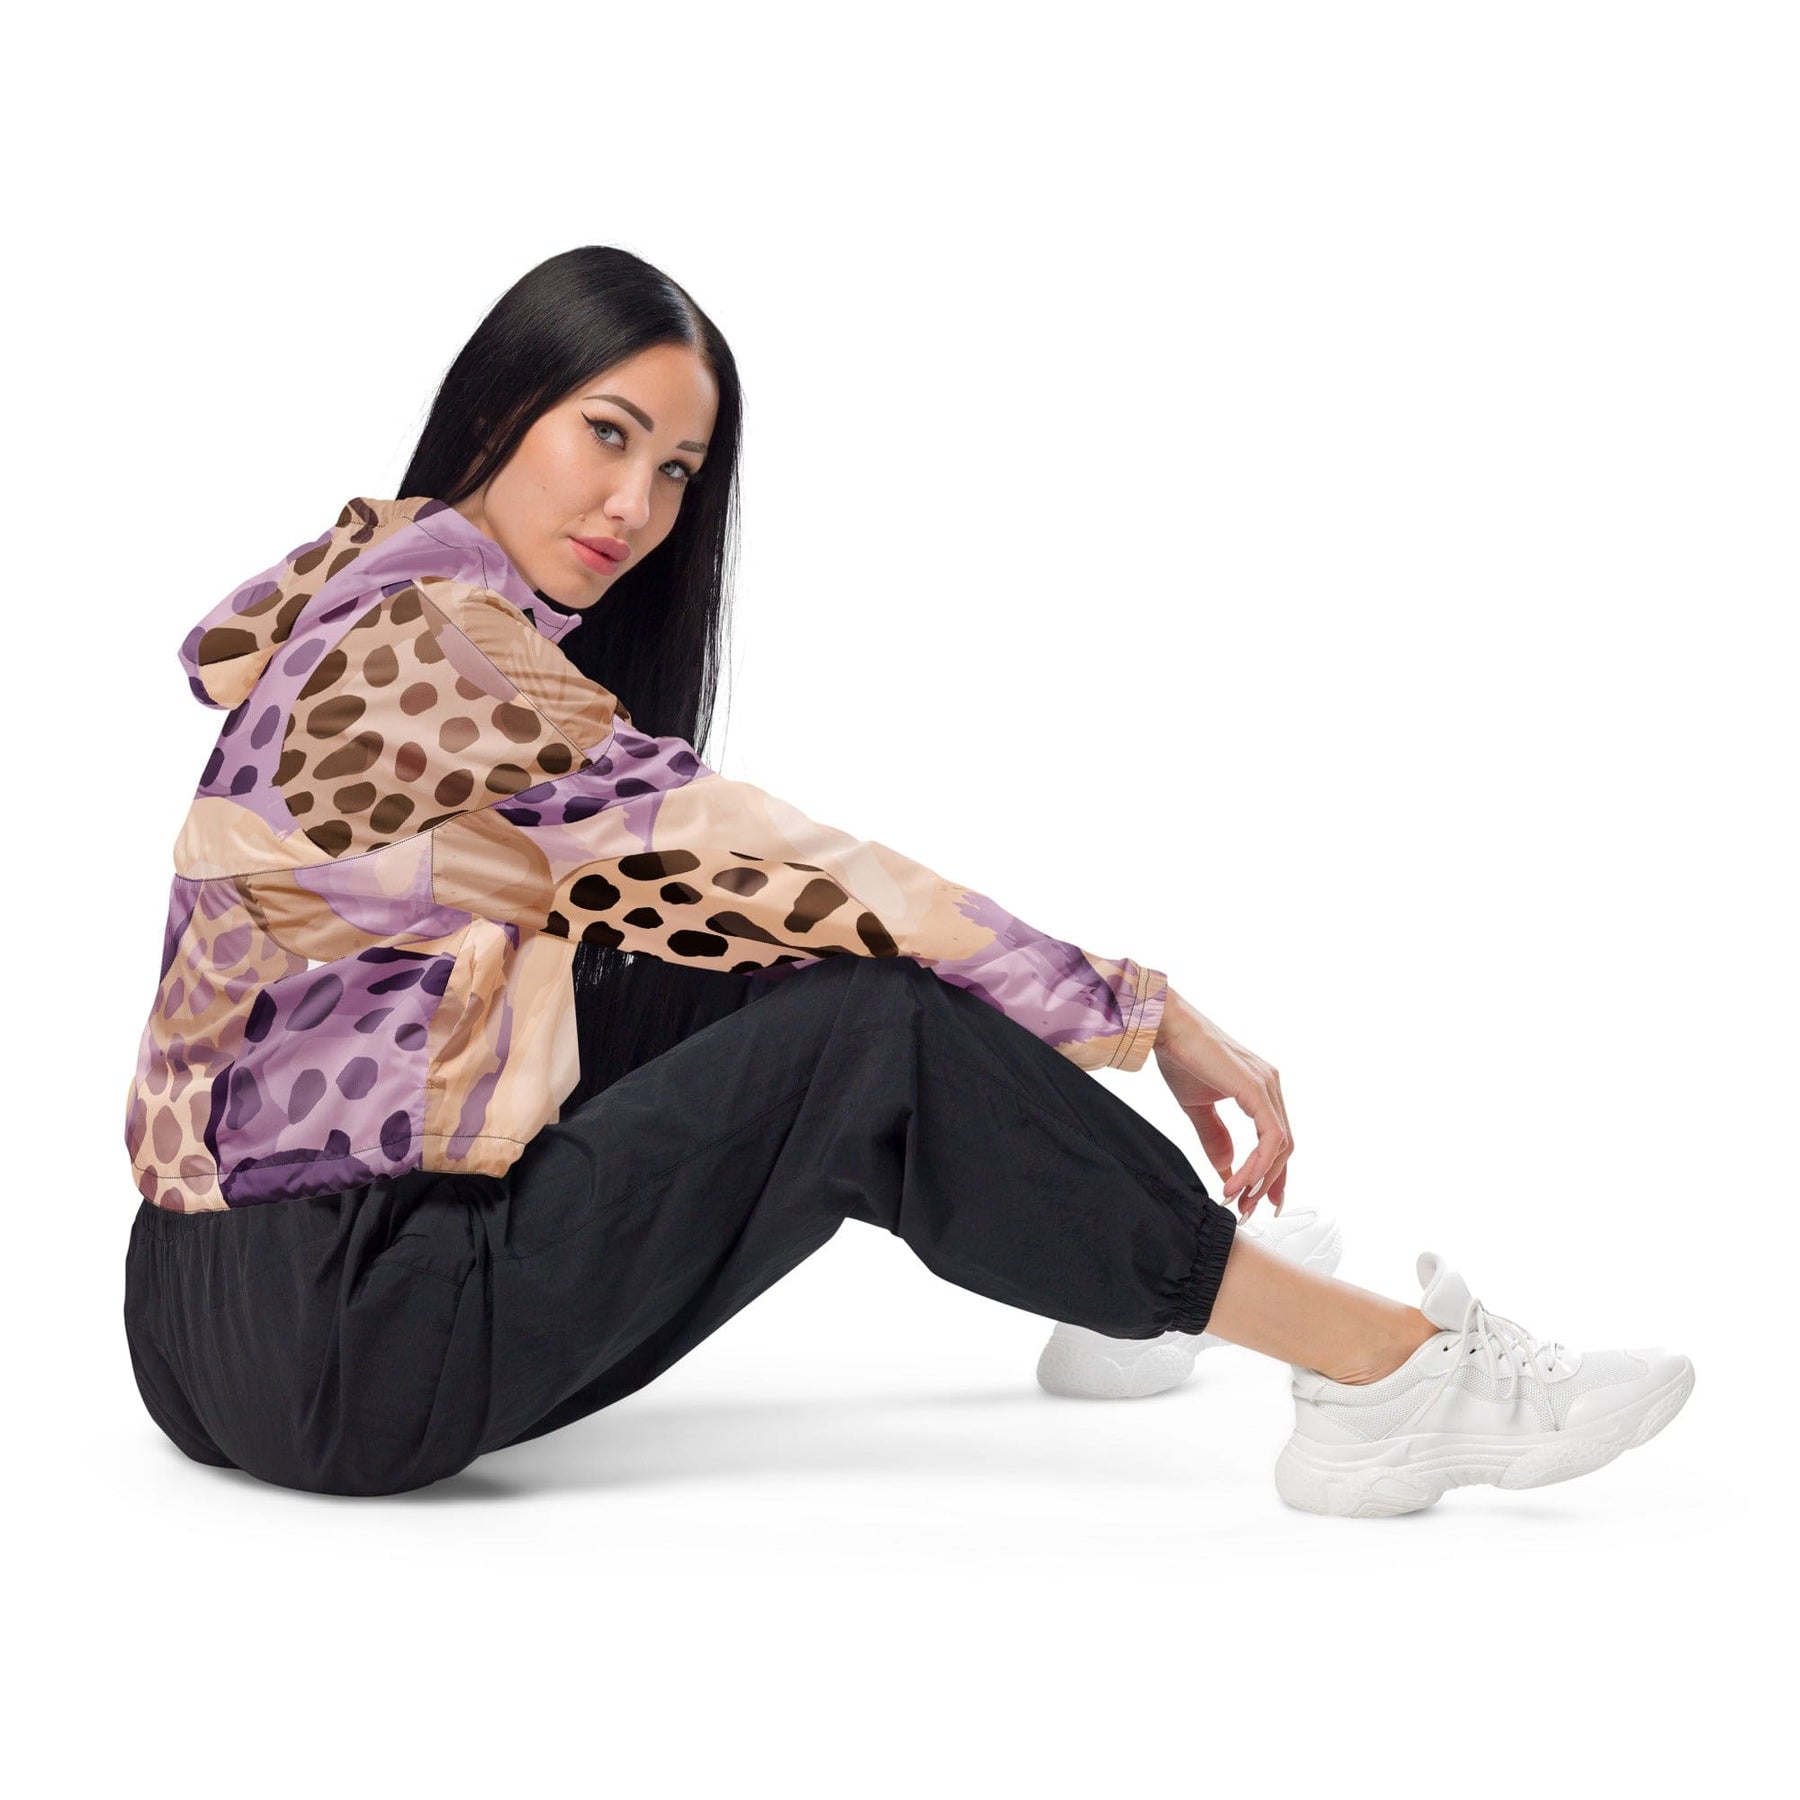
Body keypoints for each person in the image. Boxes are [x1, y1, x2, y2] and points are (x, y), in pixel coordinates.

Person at [121, 245, 1694, 1515]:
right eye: (607, 433)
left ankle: (1111, 1273)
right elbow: (779, 864)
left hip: (191, 1317)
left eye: (678, 471)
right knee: (869, 1024)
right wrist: (1144, 1010)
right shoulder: (450, 657)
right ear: (500, 407)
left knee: (766, 968)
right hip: (354, 1346)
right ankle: (1390, 1378)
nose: (637, 508)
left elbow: (732, 912)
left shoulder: (367, 588)